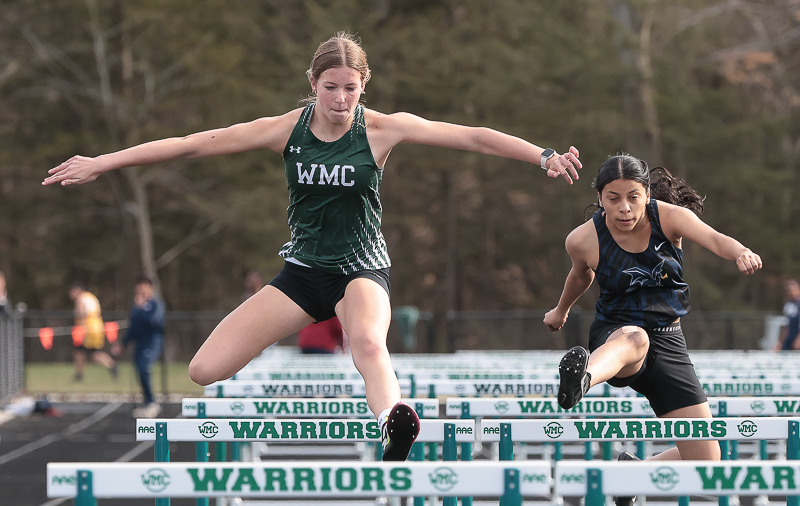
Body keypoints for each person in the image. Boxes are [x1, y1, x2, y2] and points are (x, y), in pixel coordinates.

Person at [44, 32, 583, 461]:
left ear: (363, 87)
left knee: (368, 345)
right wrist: (103, 162)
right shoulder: (284, 130)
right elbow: (189, 146)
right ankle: (386, 414)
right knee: (203, 370)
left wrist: (543, 157)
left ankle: (393, 427)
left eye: (350, 88)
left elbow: (472, 135)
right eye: (331, 87)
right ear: (313, 83)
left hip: (361, 271)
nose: (341, 99)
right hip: (301, 275)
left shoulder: (381, 131)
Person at [543, 154, 762, 506]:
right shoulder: (583, 239)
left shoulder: (671, 218)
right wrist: (561, 310)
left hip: (669, 340)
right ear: (600, 198)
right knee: (636, 339)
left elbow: (714, 238)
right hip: (616, 336)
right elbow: (580, 276)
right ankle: (582, 379)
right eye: (613, 198)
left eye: (633, 197)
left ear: (646, 194)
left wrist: (741, 252)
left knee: (707, 462)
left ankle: (634, 472)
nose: (624, 208)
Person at [112, 276, 166, 417]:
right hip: (140, 345)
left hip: (152, 343)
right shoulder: (136, 307)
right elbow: (133, 329)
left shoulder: (155, 304)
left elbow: (155, 322)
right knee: (139, 371)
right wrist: (122, 344)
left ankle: (152, 401)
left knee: (144, 369)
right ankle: (148, 401)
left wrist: (142, 310)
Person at [68, 282, 117, 382]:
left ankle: (111, 365)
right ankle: (80, 374)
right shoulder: (91, 297)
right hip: (97, 327)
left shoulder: (81, 298)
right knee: (84, 352)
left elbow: (81, 314)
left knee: (90, 353)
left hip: (88, 329)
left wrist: (78, 324)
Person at [775, 279, 800, 351]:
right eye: (788, 290)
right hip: (789, 337)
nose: (791, 292)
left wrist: (798, 339)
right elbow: (787, 324)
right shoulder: (788, 304)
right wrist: (780, 342)